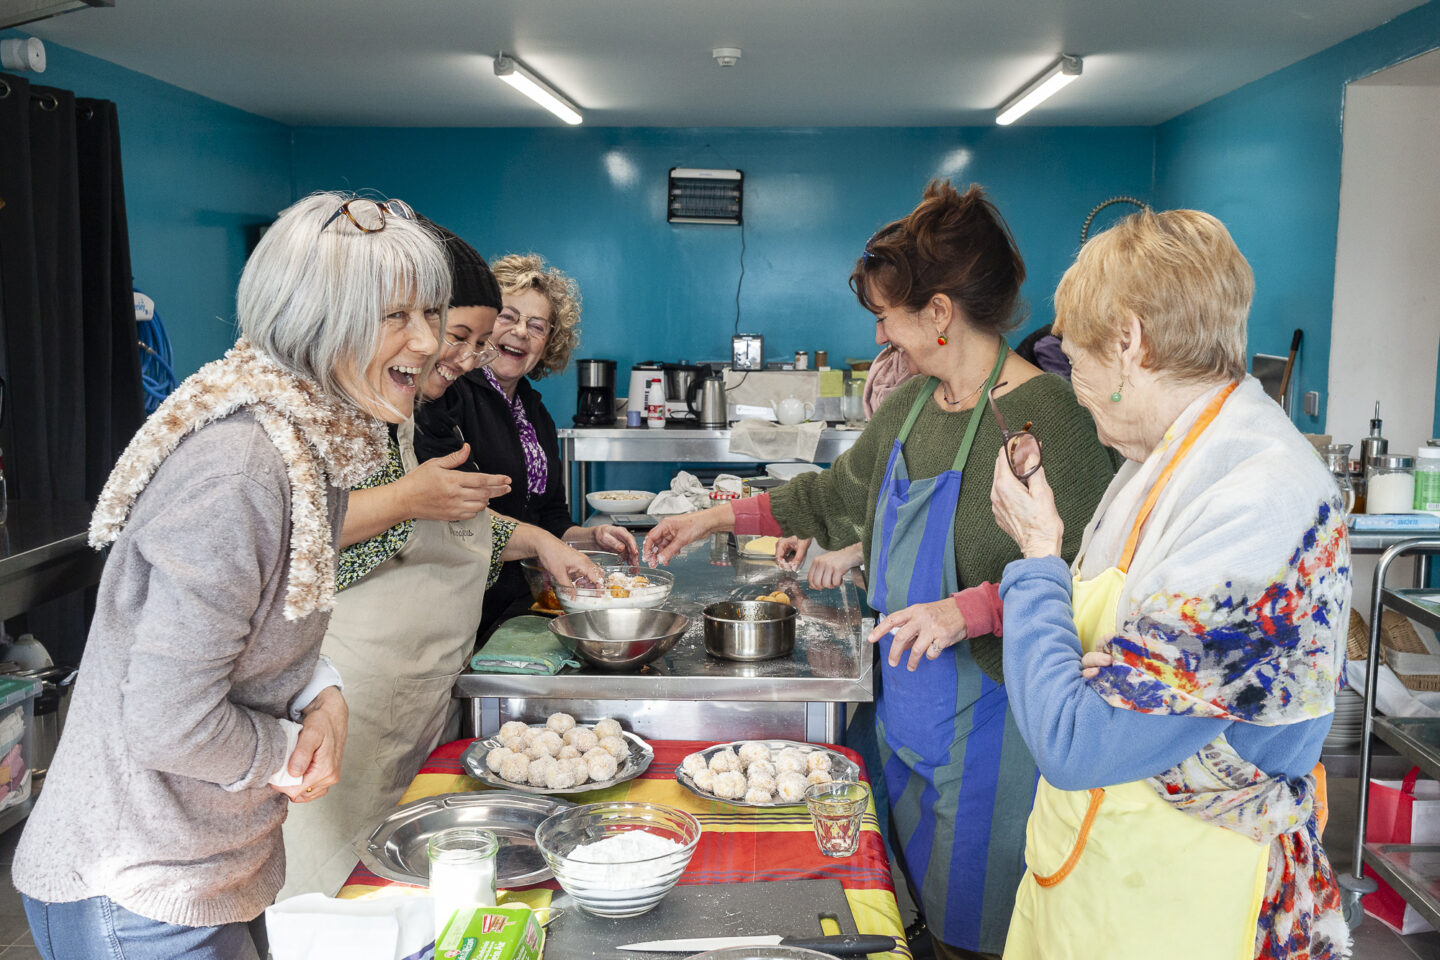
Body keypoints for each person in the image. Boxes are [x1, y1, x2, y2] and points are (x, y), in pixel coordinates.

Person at [644, 180, 1117, 959]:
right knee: (900, 912)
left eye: (886, 316)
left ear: (937, 313)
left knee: (982, 929)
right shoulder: (914, 408)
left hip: (999, 724)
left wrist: (967, 611)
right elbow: (833, 496)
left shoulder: (1050, 418)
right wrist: (713, 516)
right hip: (901, 709)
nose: (882, 333)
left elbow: (1089, 576)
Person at [11, 192, 447, 959]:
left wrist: (322, 689)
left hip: (212, 866)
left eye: (432, 313)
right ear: (318, 320)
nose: (431, 340)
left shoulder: (314, 443)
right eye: (398, 316)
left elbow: (262, 622)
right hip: (140, 887)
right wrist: (288, 752)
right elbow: (168, 720)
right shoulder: (242, 466)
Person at [987, 209, 1350, 959]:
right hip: (1098, 883)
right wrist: (1109, 673)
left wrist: (1037, 552)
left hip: (1185, 906)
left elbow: (1078, 739)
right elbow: (1105, 701)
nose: (1069, 379)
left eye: (1073, 352)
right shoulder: (1158, 464)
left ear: (1127, 341)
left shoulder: (1263, 499)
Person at [278, 223, 603, 898]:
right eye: (458, 335)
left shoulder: (405, 412)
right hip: (353, 695)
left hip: (419, 693)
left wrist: (545, 542)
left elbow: (456, 526)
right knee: (328, 895)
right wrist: (404, 499)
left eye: (469, 342)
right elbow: (284, 528)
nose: (456, 355)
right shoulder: (320, 410)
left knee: (403, 886)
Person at [412, 252, 636, 636]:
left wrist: (589, 538)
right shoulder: (450, 391)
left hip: (519, 607)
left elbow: (550, 517)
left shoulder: (535, 412)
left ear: (549, 342)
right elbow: (448, 514)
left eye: (537, 326)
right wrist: (544, 544)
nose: (520, 332)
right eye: (508, 316)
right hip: (459, 606)